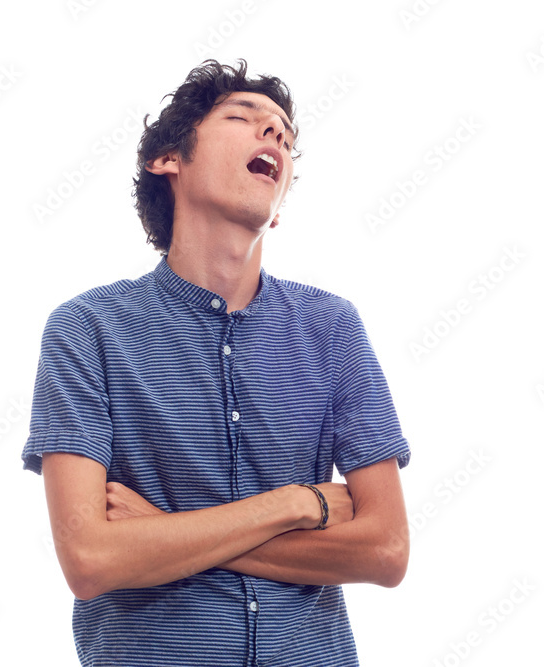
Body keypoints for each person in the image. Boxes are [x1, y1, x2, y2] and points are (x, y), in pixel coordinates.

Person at [21, 59, 411, 666]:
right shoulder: (87, 329)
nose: (275, 136)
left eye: (284, 133)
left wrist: (160, 532)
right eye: (244, 118)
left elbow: (386, 551)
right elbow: (92, 560)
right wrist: (297, 505)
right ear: (168, 160)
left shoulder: (332, 327)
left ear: (278, 206)